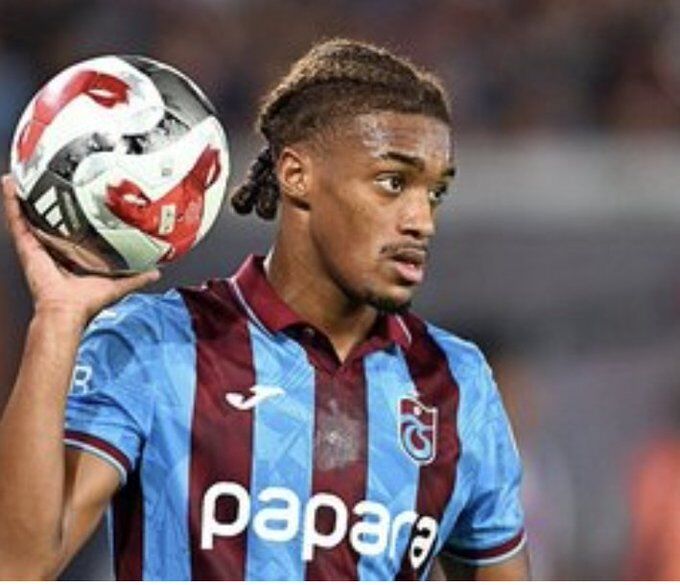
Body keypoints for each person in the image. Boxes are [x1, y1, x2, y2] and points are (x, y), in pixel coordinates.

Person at [0, 39, 529, 580]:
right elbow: (16, 565)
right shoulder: (154, 346)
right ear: (296, 174)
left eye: (434, 193)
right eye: (392, 183)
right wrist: (57, 319)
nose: (422, 221)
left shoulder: (457, 383)